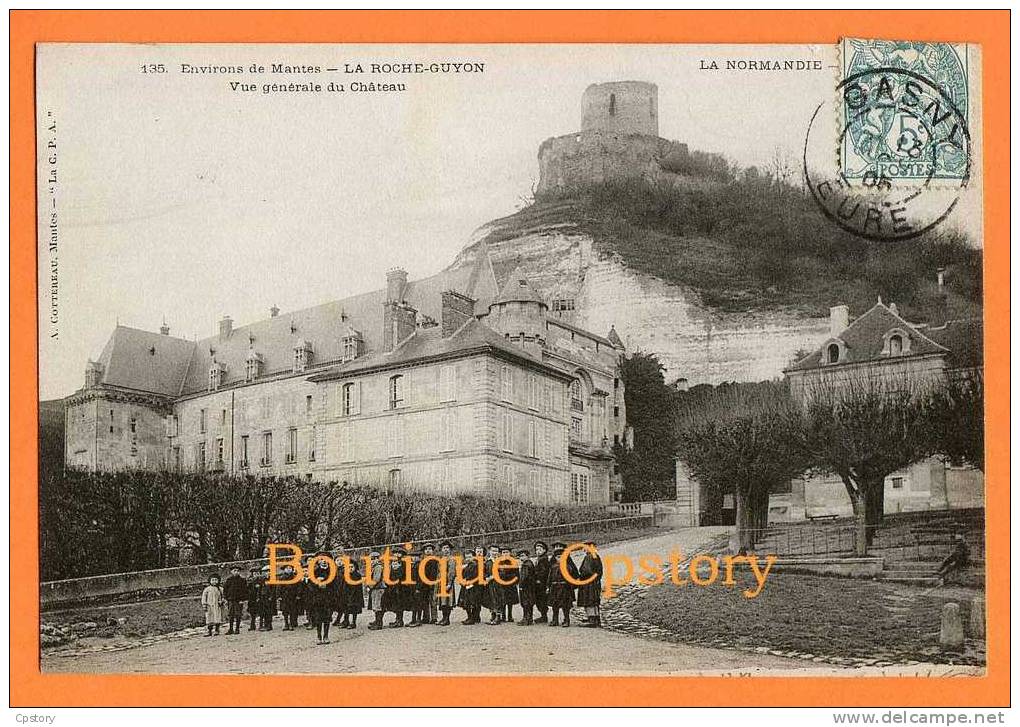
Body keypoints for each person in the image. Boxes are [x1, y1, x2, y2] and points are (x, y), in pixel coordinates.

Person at [546, 542, 579, 627]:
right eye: (557, 557)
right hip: (555, 588)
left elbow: (572, 577)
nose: (559, 559)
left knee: (565, 605)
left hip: (564, 588)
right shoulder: (553, 566)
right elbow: (550, 577)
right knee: (554, 605)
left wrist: (571, 586)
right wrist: (548, 586)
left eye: (561, 557)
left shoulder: (568, 566)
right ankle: (555, 620)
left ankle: (566, 620)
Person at [305, 555, 336, 644]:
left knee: (327, 617)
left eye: (326, 559)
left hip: (328, 598)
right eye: (321, 559)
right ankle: (319, 636)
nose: (324, 561)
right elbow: (310, 585)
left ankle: (326, 636)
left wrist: (326, 584)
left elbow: (335, 585)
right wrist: (317, 584)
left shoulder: (332, 572)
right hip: (318, 598)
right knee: (318, 618)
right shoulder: (314, 572)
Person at [382, 544, 411, 628]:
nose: (397, 554)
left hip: (401, 587)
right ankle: (397, 619)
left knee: (400, 603)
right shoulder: (391, 563)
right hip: (392, 587)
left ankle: (399, 620)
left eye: (399, 553)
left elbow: (404, 575)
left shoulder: (404, 564)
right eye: (395, 553)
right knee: (394, 603)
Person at [577, 541, 604, 628]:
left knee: (589, 599)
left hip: (588, 582)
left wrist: (580, 577)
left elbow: (586, 570)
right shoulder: (596, 556)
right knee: (594, 599)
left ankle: (591, 619)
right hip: (595, 581)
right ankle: (596, 618)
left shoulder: (589, 557)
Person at [337, 551, 364, 629]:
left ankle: (353, 622)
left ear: (355, 567)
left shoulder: (357, 575)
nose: (350, 569)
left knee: (354, 609)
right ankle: (346, 621)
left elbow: (357, 586)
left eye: (352, 567)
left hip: (354, 594)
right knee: (346, 608)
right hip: (346, 594)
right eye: (348, 567)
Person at [458, 546, 484, 625]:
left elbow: (474, 575)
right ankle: (471, 617)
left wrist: (467, 580)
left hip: (473, 586)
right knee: (467, 602)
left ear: (473, 556)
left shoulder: (475, 565)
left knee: (472, 602)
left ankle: (472, 618)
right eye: (467, 557)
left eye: (470, 556)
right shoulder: (467, 565)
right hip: (466, 586)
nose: (468, 558)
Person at [436, 541, 458, 626]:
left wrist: (449, 583)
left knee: (447, 601)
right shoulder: (441, 559)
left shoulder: (451, 559)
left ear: (450, 549)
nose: (446, 550)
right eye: (444, 548)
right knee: (442, 601)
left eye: (447, 548)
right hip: (440, 582)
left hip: (447, 582)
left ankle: (447, 619)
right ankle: (443, 618)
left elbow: (452, 572)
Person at [418, 543, 440, 625]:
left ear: (432, 551)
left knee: (433, 600)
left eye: (430, 549)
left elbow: (435, 572)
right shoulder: (422, 561)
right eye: (426, 549)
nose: (428, 551)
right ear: (424, 551)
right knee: (424, 600)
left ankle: (434, 617)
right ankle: (426, 617)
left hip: (432, 582)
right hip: (424, 583)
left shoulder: (435, 560)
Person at [222, 566, 248, 635]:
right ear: (231, 572)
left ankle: (237, 628)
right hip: (230, 600)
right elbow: (225, 590)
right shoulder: (229, 580)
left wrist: (243, 599)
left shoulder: (242, 580)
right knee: (231, 615)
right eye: (234, 571)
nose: (236, 572)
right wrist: (225, 598)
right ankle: (230, 629)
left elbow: (245, 591)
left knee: (238, 614)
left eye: (237, 571)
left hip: (239, 600)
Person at [366, 550, 388, 631]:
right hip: (376, 588)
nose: (372, 561)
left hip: (378, 588)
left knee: (378, 606)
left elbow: (376, 579)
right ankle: (377, 621)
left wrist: (370, 586)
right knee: (375, 605)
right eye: (371, 559)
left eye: (374, 559)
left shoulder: (378, 567)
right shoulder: (374, 567)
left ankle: (379, 623)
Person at [484, 544, 505, 625]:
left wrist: (492, 577)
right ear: (489, 551)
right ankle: (492, 615)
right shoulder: (488, 562)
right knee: (491, 599)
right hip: (490, 584)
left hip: (498, 583)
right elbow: (484, 571)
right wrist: (486, 578)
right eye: (493, 551)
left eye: (496, 551)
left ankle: (498, 617)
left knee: (497, 598)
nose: (494, 553)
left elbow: (502, 572)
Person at [515, 548, 536, 626]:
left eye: (523, 556)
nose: (521, 558)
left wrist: (521, 585)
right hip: (530, 586)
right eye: (520, 556)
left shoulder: (526, 565)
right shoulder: (530, 563)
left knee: (525, 603)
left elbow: (524, 576)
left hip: (526, 587)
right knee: (529, 603)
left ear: (527, 556)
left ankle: (526, 619)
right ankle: (529, 618)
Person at [279, 564, 303, 631]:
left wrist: (298, 595)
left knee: (293, 610)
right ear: (284, 570)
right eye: (287, 568)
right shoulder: (281, 578)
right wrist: (279, 596)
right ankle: (286, 624)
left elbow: (299, 587)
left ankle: (292, 624)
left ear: (292, 569)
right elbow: (279, 587)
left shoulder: (295, 577)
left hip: (293, 596)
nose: (288, 569)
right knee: (285, 611)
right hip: (284, 597)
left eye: (290, 568)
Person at [499, 545, 520, 623]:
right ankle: (503, 616)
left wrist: (515, 581)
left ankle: (510, 615)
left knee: (510, 601)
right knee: (503, 600)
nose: (505, 554)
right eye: (503, 552)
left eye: (507, 552)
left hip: (511, 584)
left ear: (510, 553)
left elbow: (517, 574)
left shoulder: (513, 561)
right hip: (502, 584)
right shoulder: (499, 562)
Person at [533, 541, 551, 624]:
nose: (538, 551)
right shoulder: (540, 559)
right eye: (536, 550)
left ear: (544, 550)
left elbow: (543, 572)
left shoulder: (543, 559)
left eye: (540, 549)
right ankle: (543, 616)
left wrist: (537, 577)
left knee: (541, 599)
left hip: (541, 583)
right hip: (539, 583)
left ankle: (544, 616)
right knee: (540, 600)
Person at [257, 564, 277, 631]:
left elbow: (274, 589)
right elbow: (259, 589)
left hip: (269, 597)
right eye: (265, 572)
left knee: (269, 612)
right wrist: (258, 597)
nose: (267, 573)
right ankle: (264, 625)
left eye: (269, 571)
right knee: (263, 611)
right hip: (263, 597)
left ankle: (269, 625)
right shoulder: (262, 580)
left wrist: (271, 596)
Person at [246, 566, 261, 631]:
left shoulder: (261, 580)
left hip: (260, 597)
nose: (256, 575)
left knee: (261, 611)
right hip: (252, 598)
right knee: (252, 612)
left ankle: (261, 624)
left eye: (257, 573)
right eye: (254, 573)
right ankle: (252, 625)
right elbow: (247, 589)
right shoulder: (249, 581)